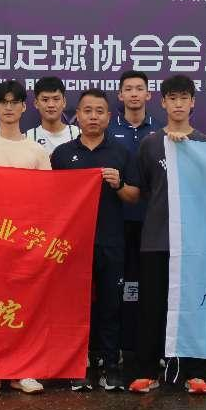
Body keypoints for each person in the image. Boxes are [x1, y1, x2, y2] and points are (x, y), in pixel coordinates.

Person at [52, 89, 141, 392]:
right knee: (73, 306)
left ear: (108, 116)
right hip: (72, 244)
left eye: (99, 111)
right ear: (77, 115)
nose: (93, 116)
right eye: (87, 111)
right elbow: (49, 198)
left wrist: (119, 184)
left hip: (110, 241)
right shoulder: (62, 154)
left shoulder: (121, 153)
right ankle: (75, 365)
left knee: (110, 305)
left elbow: (134, 196)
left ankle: (110, 365)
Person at [130, 74, 206, 395]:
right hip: (156, 239)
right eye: (172, 98)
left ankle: (195, 372)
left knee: (193, 305)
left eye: (184, 98)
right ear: (163, 102)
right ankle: (147, 370)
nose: (178, 104)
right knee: (151, 307)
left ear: (193, 102)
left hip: (194, 242)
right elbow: (143, 190)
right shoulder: (150, 143)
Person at [0, 80, 51, 394]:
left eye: (15, 102)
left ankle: (22, 370)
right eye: (4, 102)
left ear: (24, 107)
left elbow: (49, 199)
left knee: (23, 304)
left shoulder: (36, 151)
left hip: (25, 241)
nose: (9, 107)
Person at [105, 71, 164, 357]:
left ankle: (150, 348)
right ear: (120, 95)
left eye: (139, 89)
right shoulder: (107, 130)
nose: (134, 94)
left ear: (149, 95)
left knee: (149, 288)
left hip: (152, 223)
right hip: (117, 221)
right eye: (128, 89)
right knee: (117, 286)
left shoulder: (162, 131)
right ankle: (118, 346)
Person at [25, 76, 80, 155]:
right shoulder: (27, 138)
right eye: (45, 100)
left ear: (64, 102)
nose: (51, 105)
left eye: (56, 99)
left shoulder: (78, 134)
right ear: (36, 103)